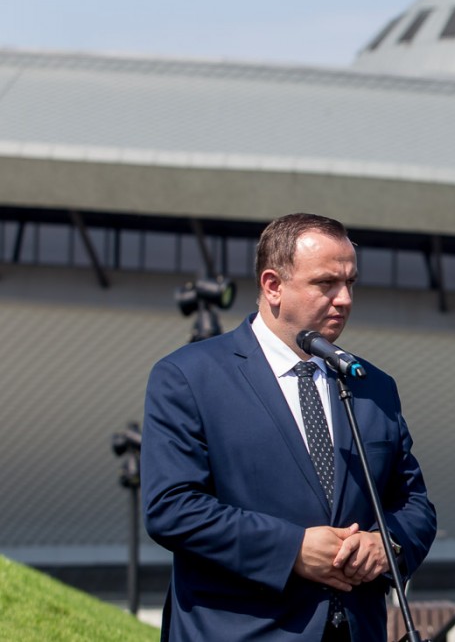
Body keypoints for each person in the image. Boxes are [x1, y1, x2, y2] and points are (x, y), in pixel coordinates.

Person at [142, 213, 437, 642]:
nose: (344, 299)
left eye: (350, 283)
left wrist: (386, 545)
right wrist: (292, 549)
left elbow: (414, 504)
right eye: (326, 283)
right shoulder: (188, 376)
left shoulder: (373, 385)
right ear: (273, 285)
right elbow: (172, 508)